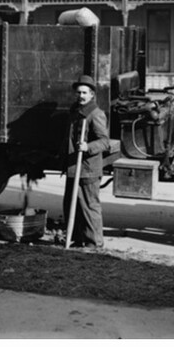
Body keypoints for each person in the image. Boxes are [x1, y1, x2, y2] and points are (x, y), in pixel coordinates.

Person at [63, 74, 110, 249]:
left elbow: (104, 141)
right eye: (78, 92)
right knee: (72, 205)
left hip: (88, 168)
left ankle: (94, 242)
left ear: (91, 95)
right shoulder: (75, 112)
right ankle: (77, 238)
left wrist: (87, 146)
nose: (81, 96)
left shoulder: (95, 114)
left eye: (84, 93)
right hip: (73, 166)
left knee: (89, 206)